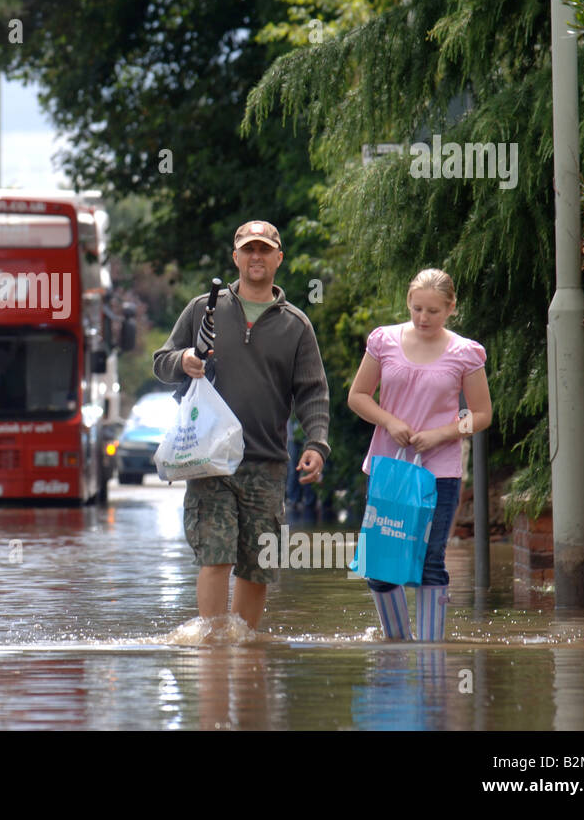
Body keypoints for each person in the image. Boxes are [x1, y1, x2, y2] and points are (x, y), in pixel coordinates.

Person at [153, 220, 330, 630]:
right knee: (216, 555)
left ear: (278, 259)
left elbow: (313, 392)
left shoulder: (296, 325)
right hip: (209, 461)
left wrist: (316, 445)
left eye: (264, 250)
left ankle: (245, 647)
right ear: (235, 257)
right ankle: (214, 646)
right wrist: (184, 361)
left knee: (257, 566)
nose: (256, 257)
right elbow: (161, 362)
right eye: (248, 249)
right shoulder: (203, 308)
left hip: (267, 463)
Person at [346, 268, 492, 641]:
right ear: (408, 304)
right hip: (389, 469)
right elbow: (358, 396)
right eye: (417, 309)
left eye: (433, 311)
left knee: (430, 562)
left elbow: (481, 414)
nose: (423, 318)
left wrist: (441, 434)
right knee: (379, 566)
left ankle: (430, 656)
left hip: (439, 473)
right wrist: (391, 422)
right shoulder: (384, 341)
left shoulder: (465, 353)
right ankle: (396, 646)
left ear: (451, 308)